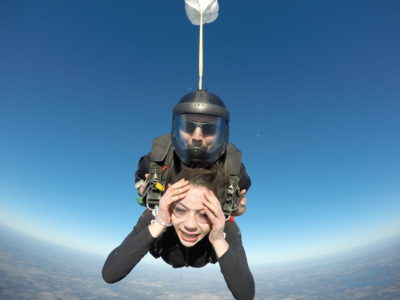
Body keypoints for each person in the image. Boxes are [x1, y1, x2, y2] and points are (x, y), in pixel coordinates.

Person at [102, 165, 255, 300]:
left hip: (193, 258)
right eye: (180, 210)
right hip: (172, 252)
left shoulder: (223, 227)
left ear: (217, 212)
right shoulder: (158, 215)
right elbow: (110, 273)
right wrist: (161, 223)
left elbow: (246, 294)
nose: (190, 225)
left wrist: (217, 239)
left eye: (204, 214)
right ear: (169, 205)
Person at [135, 89, 251, 217]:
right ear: (177, 128)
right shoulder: (156, 161)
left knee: (232, 234)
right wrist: (145, 191)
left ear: (222, 133)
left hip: (210, 225)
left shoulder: (234, 171)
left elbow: (240, 209)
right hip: (164, 218)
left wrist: (237, 208)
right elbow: (140, 184)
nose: (197, 137)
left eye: (209, 128)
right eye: (188, 127)